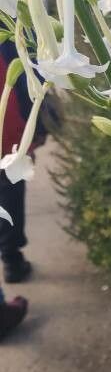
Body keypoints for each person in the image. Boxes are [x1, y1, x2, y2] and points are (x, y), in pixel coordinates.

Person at [0, 38, 33, 339]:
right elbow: (21, 88)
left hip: (8, 141)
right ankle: (11, 259)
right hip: (7, 142)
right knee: (10, 199)